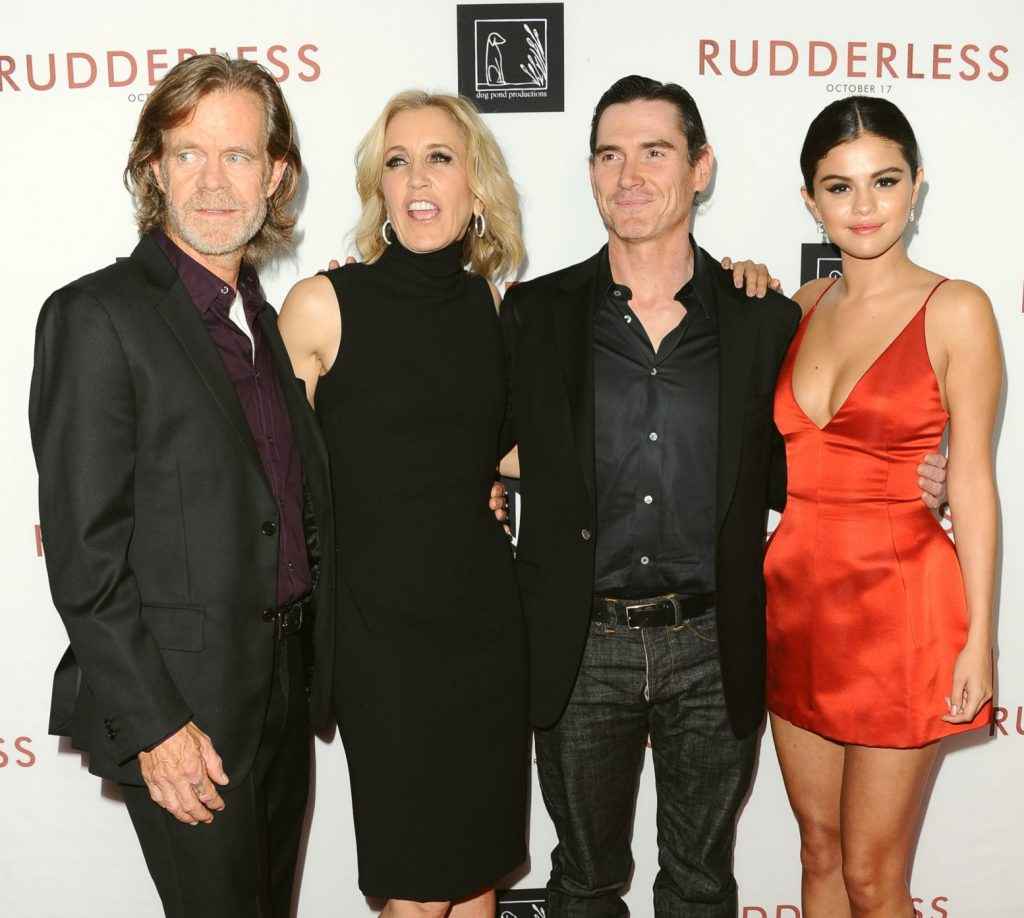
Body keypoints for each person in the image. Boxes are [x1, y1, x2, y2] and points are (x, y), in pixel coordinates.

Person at [497, 75, 948, 917]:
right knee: (583, 883)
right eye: (610, 155)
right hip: (578, 645)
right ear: (591, 173)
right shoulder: (534, 312)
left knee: (701, 887)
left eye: (655, 151)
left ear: (700, 168)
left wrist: (926, 467)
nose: (630, 174)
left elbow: (814, 453)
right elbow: (469, 437)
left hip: (713, 643)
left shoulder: (762, 318)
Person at [29, 55, 334, 918]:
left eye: (238, 155)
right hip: (184, 708)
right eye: (188, 153)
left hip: (282, 688)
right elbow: (85, 557)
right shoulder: (96, 316)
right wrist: (157, 726)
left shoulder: (263, 322)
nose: (212, 180)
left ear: (276, 176)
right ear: (154, 170)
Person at [278, 90, 528, 918]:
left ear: (475, 185)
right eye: (397, 161)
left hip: (485, 630)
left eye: (439, 158)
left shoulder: (491, 307)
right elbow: (269, 480)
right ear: (378, 189)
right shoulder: (322, 305)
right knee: (415, 893)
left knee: (479, 881)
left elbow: (509, 450)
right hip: (379, 644)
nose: (417, 178)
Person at [764, 96, 997, 917]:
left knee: (872, 875)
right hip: (795, 605)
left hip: (902, 610)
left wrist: (979, 641)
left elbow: (973, 483)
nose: (864, 206)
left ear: (917, 184)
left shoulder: (957, 308)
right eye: (840, 186)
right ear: (810, 200)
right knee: (818, 850)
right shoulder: (797, 308)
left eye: (885, 181)